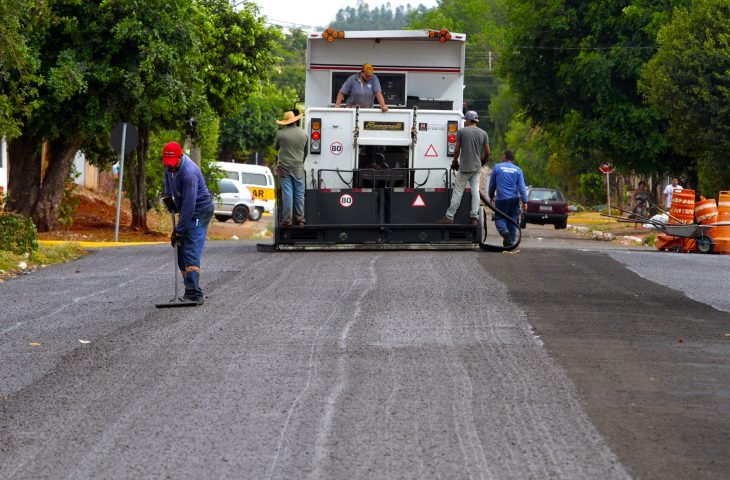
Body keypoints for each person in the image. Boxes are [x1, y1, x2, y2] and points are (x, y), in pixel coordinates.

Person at [162, 142, 214, 305]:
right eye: (167, 165)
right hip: (186, 209)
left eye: (173, 165)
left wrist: (179, 230)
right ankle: (189, 290)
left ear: (180, 157)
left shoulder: (189, 173)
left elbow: (189, 206)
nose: (170, 168)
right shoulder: (170, 166)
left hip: (199, 210)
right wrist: (168, 198)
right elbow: (167, 185)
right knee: (180, 249)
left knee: (189, 248)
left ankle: (194, 293)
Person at [436, 110, 490, 225]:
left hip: (464, 167)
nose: (465, 121)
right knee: (475, 192)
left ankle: (449, 217)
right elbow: (487, 152)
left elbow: (456, 150)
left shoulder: (461, 132)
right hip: (476, 168)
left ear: (469, 120)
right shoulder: (483, 133)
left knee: (458, 192)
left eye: (466, 120)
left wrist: (455, 162)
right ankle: (474, 217)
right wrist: (482, 162)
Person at [274, 110, 308, 227]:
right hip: (298, 166)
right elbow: (306, 151)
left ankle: (287, 220)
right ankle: (300, 219)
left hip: (284, 167)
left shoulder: (280, 134)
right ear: (295, 120)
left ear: (285, 122)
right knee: (299, 193)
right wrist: (300, 162)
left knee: (287, 193)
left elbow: (276, 147)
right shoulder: (303, 134)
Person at [488, 150, 528, 247]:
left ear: (504, 156)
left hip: (501, 199)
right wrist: (525, 201)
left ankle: (504, 231)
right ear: (512, 159)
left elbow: (492, 184)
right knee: (513, 220)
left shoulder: (497, 167)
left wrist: (491, 195)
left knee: (499, 218)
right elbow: (522, 187)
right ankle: (510, 243)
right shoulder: (518, 170)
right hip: (514, 199)